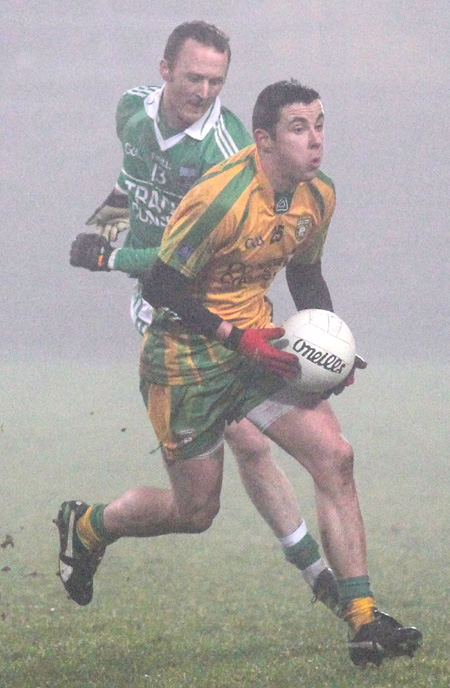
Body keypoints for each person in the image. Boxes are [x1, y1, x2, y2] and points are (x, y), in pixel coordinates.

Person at [62, 76, 422, 666]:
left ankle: (363, 619)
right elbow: (161, 283)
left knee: (335, 456)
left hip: (262, 348)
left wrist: (330, 350)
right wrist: (236, 338)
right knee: (195, 512)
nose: (316, 141)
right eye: (299, 128)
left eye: (320, 124)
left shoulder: (318, 195)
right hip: (184, 362)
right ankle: (90, 526)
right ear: (263, 140)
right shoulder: (220, 196)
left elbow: (305, 276)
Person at [60, 22, 339, 619]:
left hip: (206, 303)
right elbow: (133, 183)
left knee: (251, 448)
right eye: (195, 78)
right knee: (236, 458)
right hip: (162, 309)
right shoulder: (131, 109)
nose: (206, 91)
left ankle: (321, 577)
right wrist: (105, 223)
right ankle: (320, 577)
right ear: (165, 70)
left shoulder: (226, 147)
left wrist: (109, 257)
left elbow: (169, 266)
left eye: (217, 81)